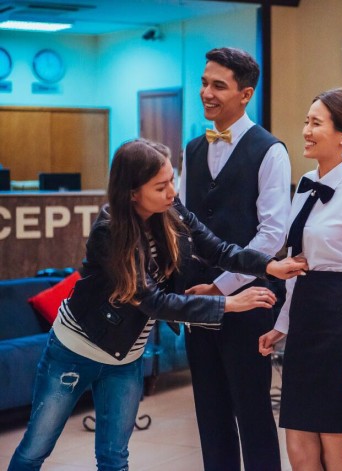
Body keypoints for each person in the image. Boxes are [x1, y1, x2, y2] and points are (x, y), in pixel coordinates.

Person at [8, 138, 306, 471]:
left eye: (171, 181)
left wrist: (269, 266)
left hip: (125, 356)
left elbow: (218, 249)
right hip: (76, 351)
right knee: (36, 449)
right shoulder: (109, 232)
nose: (172, 192)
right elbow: (153, 302)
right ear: (133, 193)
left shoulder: (171, 210)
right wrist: (229, 303)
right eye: (161, 186)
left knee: (114, 457)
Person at [259, 87, 342, 470]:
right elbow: (296, 263)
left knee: (335, 450)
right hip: (305, 322)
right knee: (298, 448)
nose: (306, 131)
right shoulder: (304, 184)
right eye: (306, 121)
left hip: (338, 321)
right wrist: (282, 325)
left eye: (316, 123)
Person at [179, 47, 291, 470]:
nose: (206, 93)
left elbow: (272, 235)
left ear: (245, 94)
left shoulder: (270, 151)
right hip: (197, 300)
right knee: (210, 413)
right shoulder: (192, 148)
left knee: (253, 412)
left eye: (218, 86)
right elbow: (182, 223)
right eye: (204, 83)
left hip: (248, 303)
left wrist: (221, 287)